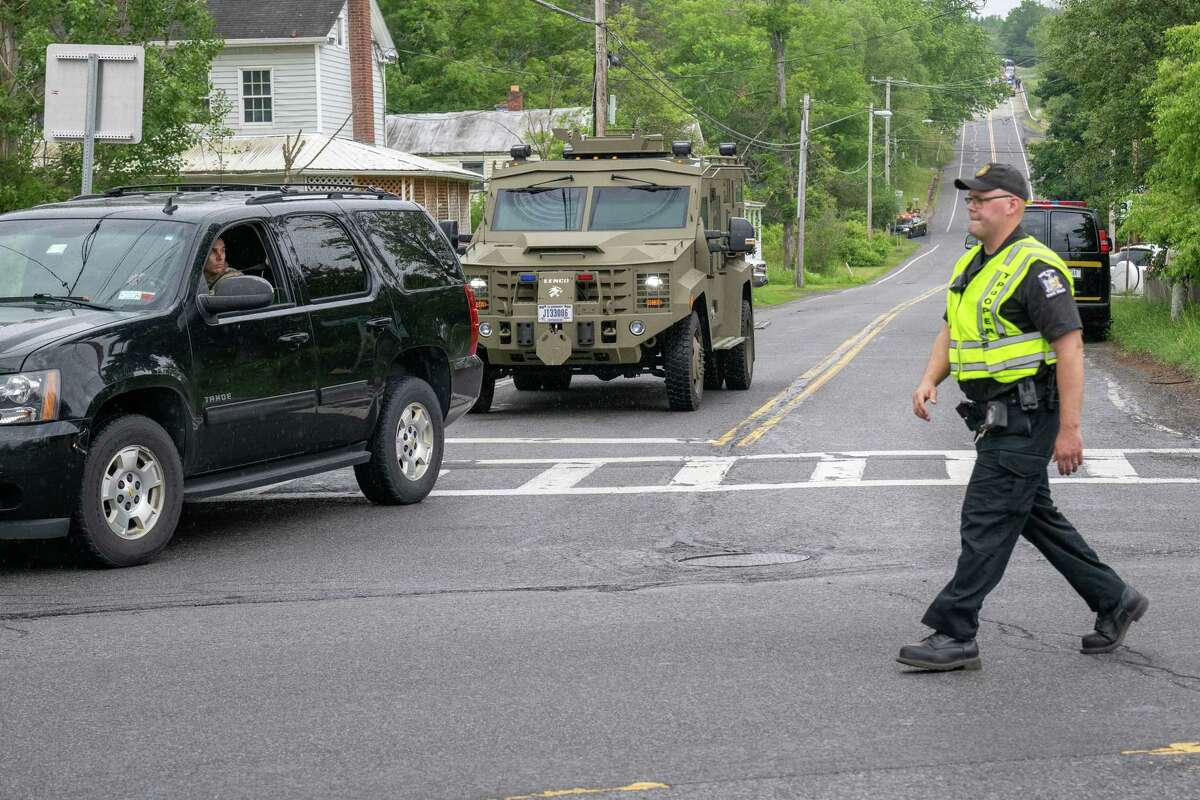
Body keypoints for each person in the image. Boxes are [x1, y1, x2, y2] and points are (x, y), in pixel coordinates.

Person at [898, 162, 1148, 672]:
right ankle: (1115, 599)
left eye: (981, 198)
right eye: (969, 198)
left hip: (1026, 417)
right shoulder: (973, 265)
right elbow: (953, 330)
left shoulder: (1038, 268)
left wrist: (1071, 430)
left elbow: (1071, 348)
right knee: (1033, 516)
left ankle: (955, 629)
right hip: (995, 418)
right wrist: (929, 380)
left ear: (1012, 206)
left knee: (985, 519)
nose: (972, 205)